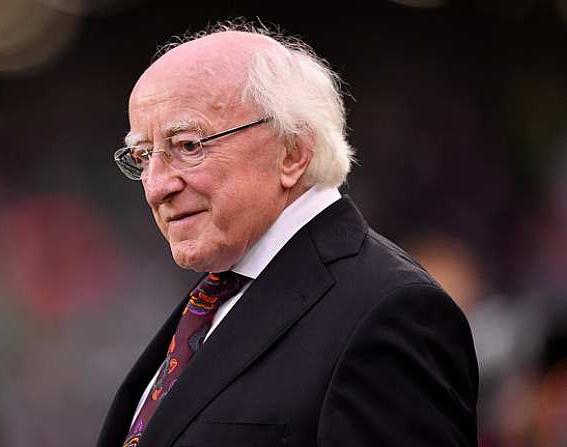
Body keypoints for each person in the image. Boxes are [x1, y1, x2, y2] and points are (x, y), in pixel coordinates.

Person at [98, 21, 478, 447]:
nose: (156, 186)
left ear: (293, 152)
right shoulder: (219, 296)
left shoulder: (390, 311)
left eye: (188, 146)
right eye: (145, 155)